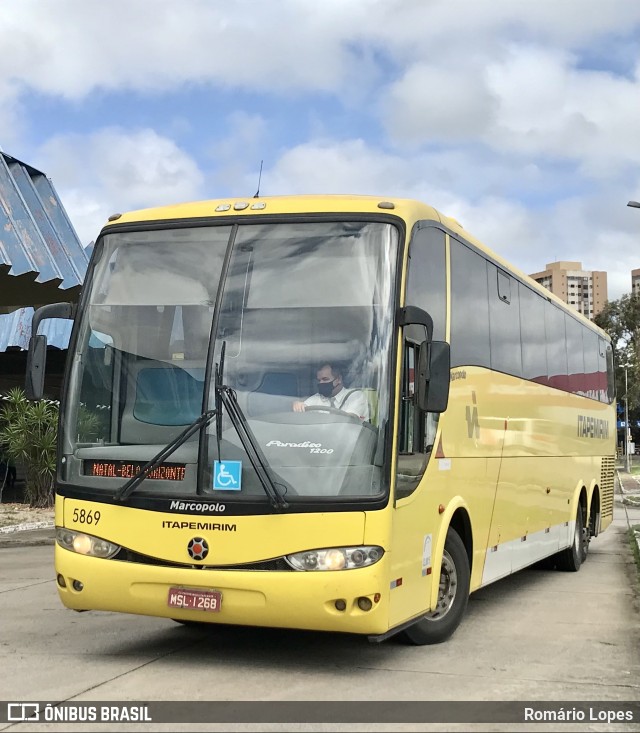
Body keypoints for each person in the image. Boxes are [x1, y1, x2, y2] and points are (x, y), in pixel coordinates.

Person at [293, 363, 370, 420]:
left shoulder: (355, 396)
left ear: (338, 379)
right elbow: (303, 409)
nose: (321, 383)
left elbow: (350, 419)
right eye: (319, 380)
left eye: (325, 379)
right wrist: (299, 405)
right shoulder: (317, 398)